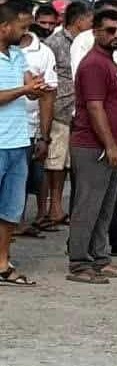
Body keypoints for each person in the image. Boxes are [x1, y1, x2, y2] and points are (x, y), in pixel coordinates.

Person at [64, 9, 117, 285]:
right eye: (110, 30)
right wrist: (110, 145)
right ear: (95, 32)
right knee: (88, 206)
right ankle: (79, 263)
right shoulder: (94, 64)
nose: (116, 35)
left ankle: (100, 258)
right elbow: (94, 107)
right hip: (93, 146)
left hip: (111, 146)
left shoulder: (110, 63)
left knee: (105, 207)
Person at [0, 0, 49, 286]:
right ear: (4, 27)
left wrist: (36, 88)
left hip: (19, 141)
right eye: (22, 27)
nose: (25, 32)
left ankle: (2, 262)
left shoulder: (17, 55)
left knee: (11, 209)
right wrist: (24, 89)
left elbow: (29, 84)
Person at [41, 2, 89, 229]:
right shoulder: (55, 43)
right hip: (59, 109)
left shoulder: (85, 43)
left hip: (77, 109)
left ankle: (59, 206)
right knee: (55, 163)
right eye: (89, 20)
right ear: (79, 20)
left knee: (68, 163)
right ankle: (52, 207)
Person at [15, 15, 57, 238]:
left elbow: (46, 94)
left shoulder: (43, 52)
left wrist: (44, 135)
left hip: (28, 128)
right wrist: (26, 89)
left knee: (20, 180)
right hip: (7, 129)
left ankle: (17, 224)